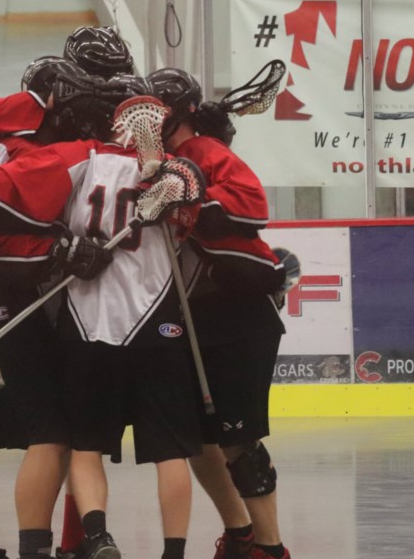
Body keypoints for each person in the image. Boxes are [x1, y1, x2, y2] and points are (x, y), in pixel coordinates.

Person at [0, 76, 203, 559]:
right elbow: (193, 202)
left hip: (85, 321)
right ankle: (167, 552)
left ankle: (86, 536)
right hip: (148, 314)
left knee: (72, 441)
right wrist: (60, 247)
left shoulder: (73, 154)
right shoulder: (170, 168)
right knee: (154, 449)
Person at [0, 57, 90, 559]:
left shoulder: (0, 137)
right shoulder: (32, 145)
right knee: (51, 434)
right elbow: (6, 216)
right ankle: (35, 552)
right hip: (2, 297)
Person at [149, 67, 295, 559]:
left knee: (240, 442)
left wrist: (193, 196)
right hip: (191, 320)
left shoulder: (206, 154)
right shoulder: (158, 160)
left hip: (238, 317)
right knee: (194, 439)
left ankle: (270, 549)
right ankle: (240, 533)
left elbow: (253, 208)